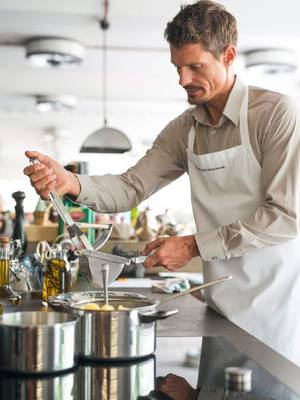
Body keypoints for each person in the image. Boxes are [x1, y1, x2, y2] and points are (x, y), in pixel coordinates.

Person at [24, 0, 300, 366]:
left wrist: (193, 245)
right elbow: (131, 186)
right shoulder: (184, 130)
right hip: (219, 311)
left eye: (194, 67)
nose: (182, 80)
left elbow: (286, 216)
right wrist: (70, 181)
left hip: (275, 316)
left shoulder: (275, 114)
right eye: (177, 67)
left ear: (229, 55)